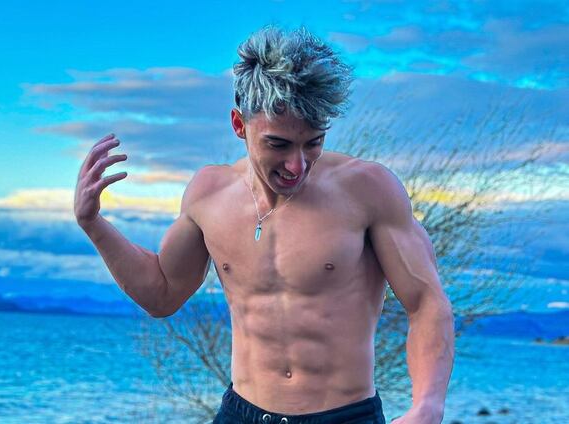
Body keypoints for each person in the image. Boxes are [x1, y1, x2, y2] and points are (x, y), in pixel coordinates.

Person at [74, 25, 454, 424]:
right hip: (241, 412)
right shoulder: (209, 193)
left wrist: (427, 405)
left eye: (313, 143)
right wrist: (93, 223)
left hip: (344, 416)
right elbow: (162, 294)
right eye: (278, 144)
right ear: (239, 125)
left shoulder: (368, 189)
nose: (297, 165)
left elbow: (426, 302)